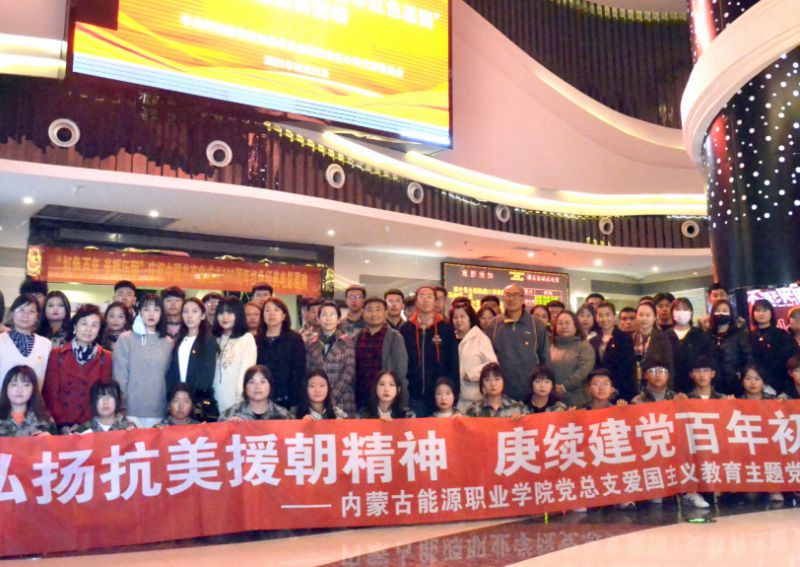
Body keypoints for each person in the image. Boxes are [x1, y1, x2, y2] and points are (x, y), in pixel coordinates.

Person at [43, 304, 113, 432]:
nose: (88, 329)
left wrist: (82, 424)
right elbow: (50, 393)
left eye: (94, 325)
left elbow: (100, 395)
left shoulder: (106, 357)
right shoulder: (57, 354)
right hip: (59, 423)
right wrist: (62, 424)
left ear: (99, 330)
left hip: (88, 424)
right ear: (75, 327)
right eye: (84, 324)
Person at [114, 293, 173, 427]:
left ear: (161, 313)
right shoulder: (126, 339)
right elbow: (120, 375)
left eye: (156, 310)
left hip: (158, 410)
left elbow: (167, 376)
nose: (151, 314)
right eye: (146, 309)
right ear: (140, 312)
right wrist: (121, 406)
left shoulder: (167, 342)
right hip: (130, 410)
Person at [400, 285, 458, 416]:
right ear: (416, 301)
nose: (425, 300)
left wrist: (454, 392)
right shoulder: (406, 329)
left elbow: (453, 363)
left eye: (429, 296)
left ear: (435, 301)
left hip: (440, 396)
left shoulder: (446, 328)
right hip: (413, 395)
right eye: (421, 296)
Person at [487, 284, 549, 403]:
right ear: (503, 298)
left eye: (515, 295)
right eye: (507, 295)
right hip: (502, 393)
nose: (511, 299)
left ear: (523, 299)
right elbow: (489, 359)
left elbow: (545, 358)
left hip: (532, 391)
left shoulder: (536, 325)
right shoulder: (494, 324)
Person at [165, 298, 218, 421]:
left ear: (203, 315)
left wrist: (190, 397)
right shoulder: (179, 339)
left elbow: (207, 373)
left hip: (197, 399)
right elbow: (173, 369)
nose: (189, 316)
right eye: (185, 311)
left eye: (194, 311)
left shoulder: (208, 339)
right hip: (178, 399)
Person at [355, 297, 408, 412]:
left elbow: (400, 371)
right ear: (363, 313)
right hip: (361, 397)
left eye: (378, 309)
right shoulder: (357, 337)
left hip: (386, 399)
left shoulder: (395, 337)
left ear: (385, 313)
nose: (374, 314)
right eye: (369, 309)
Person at [305, 300, 356, 414]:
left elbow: (349, 371)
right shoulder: (310, 343)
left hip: (342, 398)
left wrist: (330, 398)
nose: (328, 318)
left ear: (338, 319)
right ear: (318, 319)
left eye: (332, 315)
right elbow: (308, 371)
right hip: (317, 399)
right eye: (324, 315)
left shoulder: (347, 341)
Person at [256, 297, 306, 410]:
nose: (272, 313)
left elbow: (299, 372)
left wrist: (295, 403)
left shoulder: (294, 339)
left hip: (286, 399)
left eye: (276, 310)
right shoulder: (255, 340)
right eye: (267, 310)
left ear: (283, 316)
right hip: (259, 399)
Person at [212, 296, 258, 415]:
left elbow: (246, 372)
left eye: (230, 312)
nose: (225, 317)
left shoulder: (246, 339)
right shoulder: (213, 339)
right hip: (213, 400)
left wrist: (239, 403)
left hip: (236, 402)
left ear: (238, 315)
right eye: (221, 313)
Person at [452, 301, 497, 412]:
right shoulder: (450, 338)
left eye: (462, 316)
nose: (459, 320)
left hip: (476, 399)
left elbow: (493, 364)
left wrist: (472, 374)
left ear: (470, 318)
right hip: (454, 399)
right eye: (455, 317)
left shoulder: (480, 338)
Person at [0, 294, 52, 388]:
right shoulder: (1, 340)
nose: (25, 315)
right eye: (21, 310)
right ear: (12, 313)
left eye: (31, 311)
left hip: (35, 397)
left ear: (37, 316)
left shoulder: (46, 344)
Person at [665, 297, 715, 393]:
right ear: (672, 313)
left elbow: (709, 359)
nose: (682, 312)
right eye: (678, 309)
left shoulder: (700, 334)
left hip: (697, 386)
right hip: (671, 387)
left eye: (685, 309)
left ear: (691, 312)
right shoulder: (666, 335)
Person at [590, 302, 636, 401]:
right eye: (600, 315)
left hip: (621, 389)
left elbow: (628, 367)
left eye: (607, 315)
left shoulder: (624, 338)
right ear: (596, 318)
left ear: (614, 316)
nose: (604, 319)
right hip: (598, 391)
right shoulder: (592, 340)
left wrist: (612, 387)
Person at [549, 311, 595, 409]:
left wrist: (564, 387)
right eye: (560, 323)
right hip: (553, 399)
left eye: (567, 323)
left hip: (578, 400)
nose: (563, 326)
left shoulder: (584, 346)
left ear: (576, 326)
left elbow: (584, 371)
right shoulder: (551, 346)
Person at [707, 298, 753, 395]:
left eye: (725, 311)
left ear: (731, 314)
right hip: (713, 385)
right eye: (718, 310)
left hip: (736, 384)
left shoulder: (739, 334)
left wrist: (742, 376)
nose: (721, 313)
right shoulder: (708, 335)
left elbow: (748, 358)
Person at [749, 298, 794, 395]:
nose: (761, 314)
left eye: (765, 310)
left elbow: (789, 361)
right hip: (754, 385)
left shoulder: (782, 335)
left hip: (780, 384)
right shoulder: (749, 336)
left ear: (771, 313)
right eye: (758, 310)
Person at [220, 364, 294, 421]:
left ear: (270, 386)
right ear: (245, 387)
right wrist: (228, 427)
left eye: (262, 382)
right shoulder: (230, 414)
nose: (257, 386)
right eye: (252, 382)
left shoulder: (284, 416)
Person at [0, 365, 54, 436]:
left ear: (33, 389)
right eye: (14, 384)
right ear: (6, 388)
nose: (19, 390)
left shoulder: (45, 420)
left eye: (26, 385)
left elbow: (59, 442)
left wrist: (49, 440)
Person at [631, 302, 674, 390]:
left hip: (656, 386)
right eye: (641, 315)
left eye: (648, 315)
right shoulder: (630, 338)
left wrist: (668, 389)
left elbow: (668, 365)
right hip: (633, 385)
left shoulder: (662, 338)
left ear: (654, 317)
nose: (644, 318)